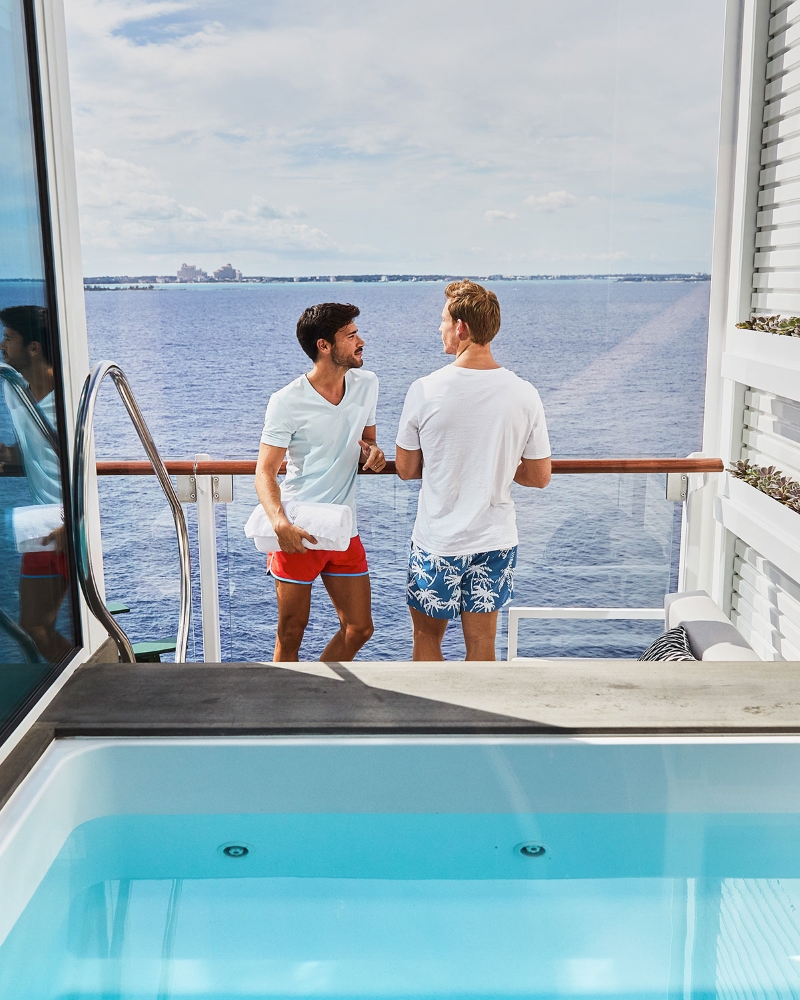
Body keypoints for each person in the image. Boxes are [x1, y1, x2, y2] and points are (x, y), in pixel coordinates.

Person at [395, 280, 551, 661]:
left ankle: (431, 721)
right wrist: (498, 459)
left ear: (461, 327)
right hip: (495, 540)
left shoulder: (425, 390)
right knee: (483, 646)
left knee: (427, 640)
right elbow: (538, 476)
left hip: (439, 542)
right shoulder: (524, 393)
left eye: (444, 320)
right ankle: (478, 723)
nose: (440, 329)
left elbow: (406, 468)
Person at [255, 302, 385, 662]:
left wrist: (371, 454)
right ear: (324, 346)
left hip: (343, 528)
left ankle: (318, 692)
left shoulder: (367, 384)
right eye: (351, 335)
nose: (361, 341)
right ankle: (284, 712)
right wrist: (280, 524)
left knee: (360, 628)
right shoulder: (286, 401)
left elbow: (367, 442)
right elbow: (265, 471)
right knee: (291, 633)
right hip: (298, 528)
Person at [0, 305, 70, 661]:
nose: (2, 345)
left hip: (63, 527)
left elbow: (81, 470)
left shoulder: (68, 403)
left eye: (8, 338)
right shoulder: (17, 389)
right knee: (37, 625)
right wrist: (10, 454)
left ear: (33, 348)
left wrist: (71, 524)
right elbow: (33, 449)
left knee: (37, 626)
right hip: (46, 524)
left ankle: (95, 686)